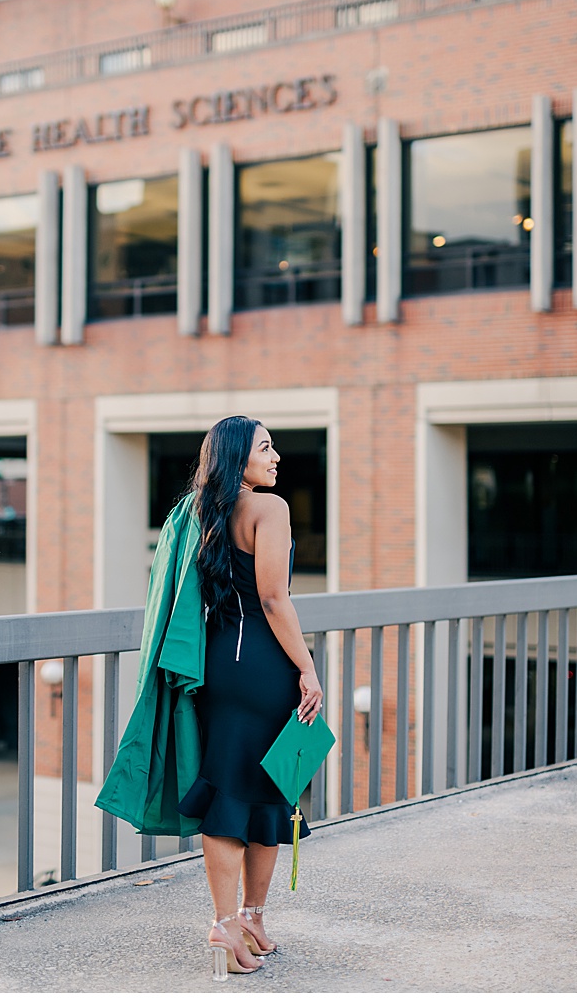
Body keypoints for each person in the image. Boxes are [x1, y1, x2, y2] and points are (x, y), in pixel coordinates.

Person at [176, 416, 324, 975]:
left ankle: (246, 921)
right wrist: (307, 668)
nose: (277, 456)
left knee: (239, 787)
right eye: (265, 447)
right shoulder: (272, 509)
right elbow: (273, 597)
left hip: (219, 665)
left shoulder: (201, 512)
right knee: (264, 788)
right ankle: (229, 923)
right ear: (238, 457)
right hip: (262, 667)